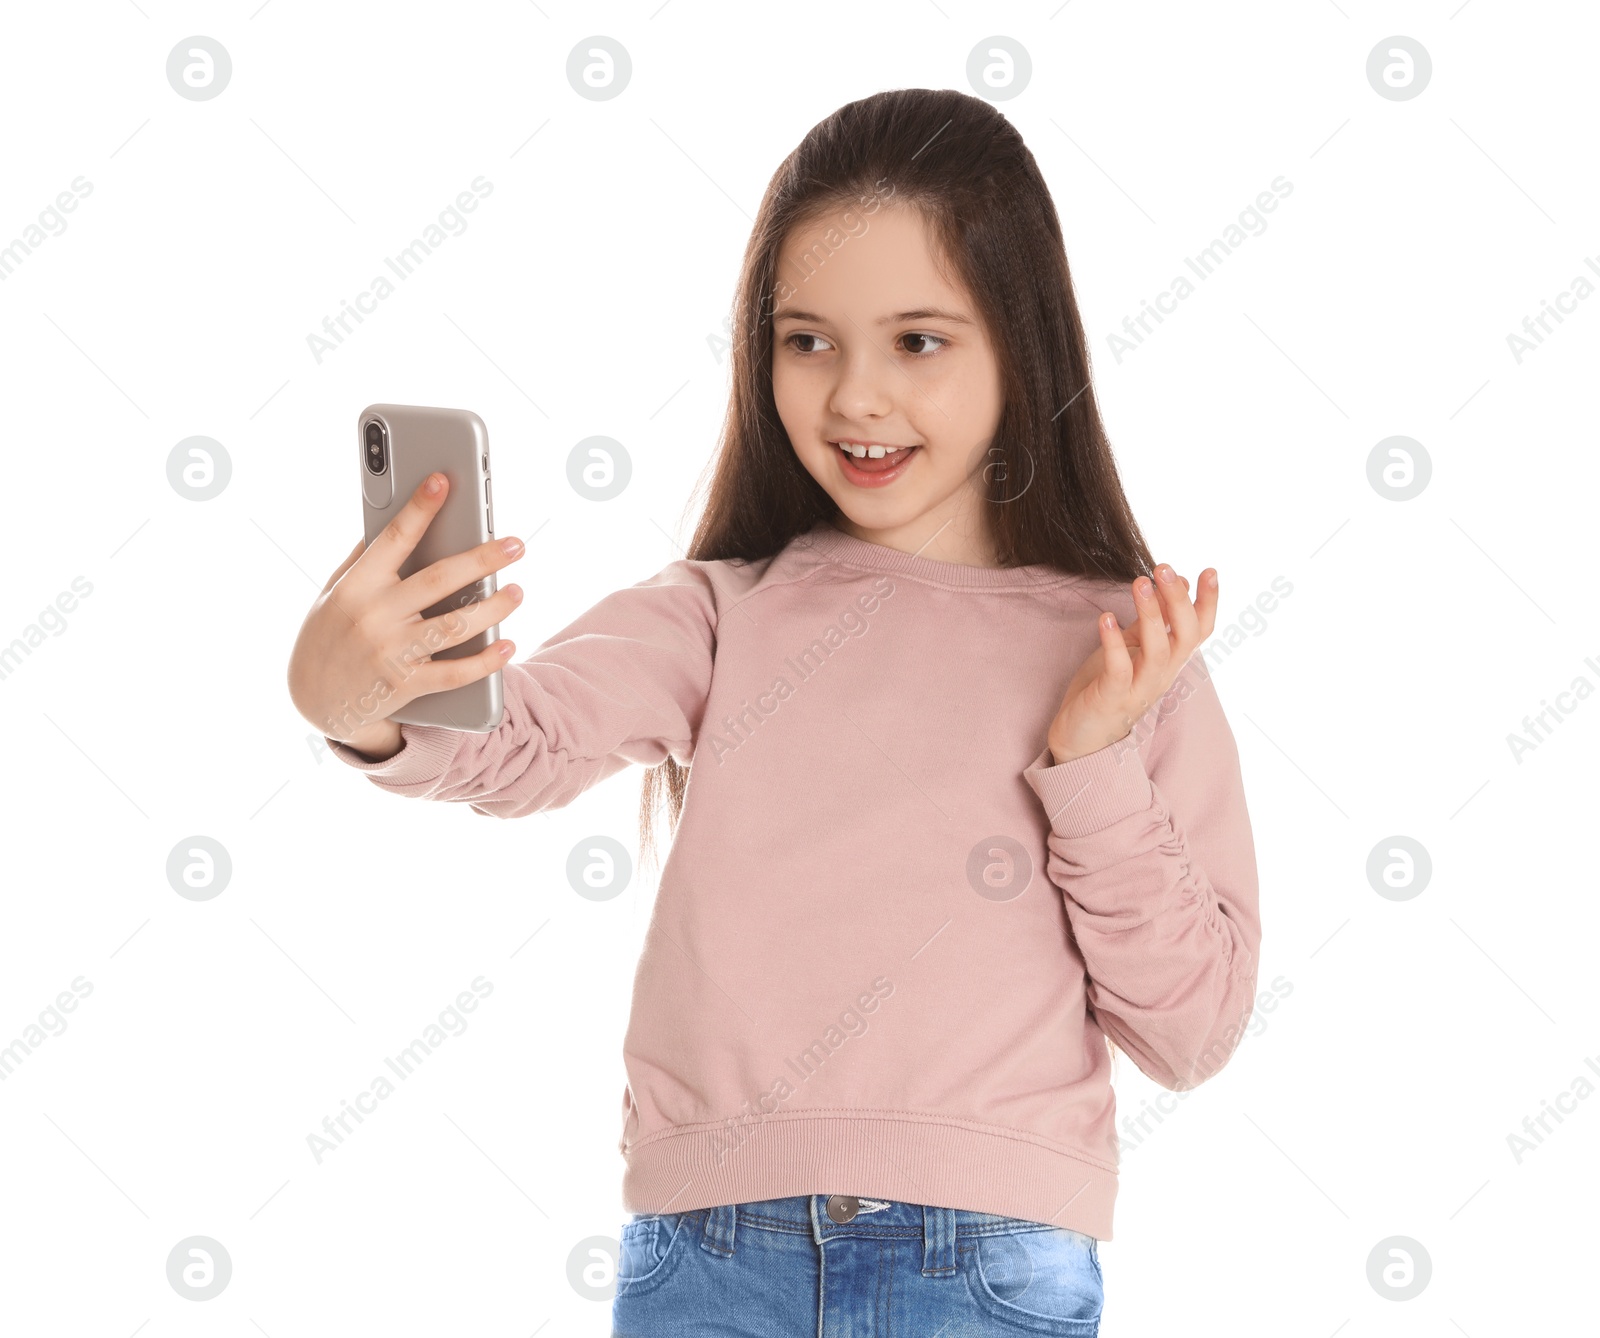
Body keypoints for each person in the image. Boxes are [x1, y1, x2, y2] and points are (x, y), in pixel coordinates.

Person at [288, 86, 1262, 1338]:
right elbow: (520, 741)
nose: (854, 396)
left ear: (1023, 346)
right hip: (709, 1259)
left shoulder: (1127, 656)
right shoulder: (719, 613)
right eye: (808, 341)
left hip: (987, 1264)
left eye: (917, 340)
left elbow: (1192, 1029)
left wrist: (1089, 764)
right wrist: (357, 702)